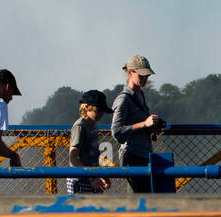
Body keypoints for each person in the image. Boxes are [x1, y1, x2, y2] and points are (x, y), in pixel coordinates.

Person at [111, 55, 162, 194]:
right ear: (129, 72)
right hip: (132, 156)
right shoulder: (123, 99)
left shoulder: (140, 95)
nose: (145, 78)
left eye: (147, 75)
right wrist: (144, 124)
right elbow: (117, 132)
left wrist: (152, 127)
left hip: (144, 154)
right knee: (138, 199)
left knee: (147, 197)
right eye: (141, 75)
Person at [68, 90, 112, 195]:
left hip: (92, 177)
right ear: (87, 107)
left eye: (103, 111)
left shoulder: (93, 125)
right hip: (80, 180)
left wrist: (102, 174)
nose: (101, 114)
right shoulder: (80, 127)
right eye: (98, 111)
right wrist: (92, 178)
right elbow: (73, 158)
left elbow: (93, 154)